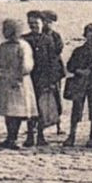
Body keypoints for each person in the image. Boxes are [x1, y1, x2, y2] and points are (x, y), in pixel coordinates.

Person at [0, 19, 37, 150]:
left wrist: (18, 76)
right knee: (8, 111)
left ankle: (15, 138)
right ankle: (10, 137)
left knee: (17, 111)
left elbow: (27, 65)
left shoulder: (22, 46)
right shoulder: (3, 46)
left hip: (19, 81)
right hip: (6, 80)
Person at [23, 11, 63, 147]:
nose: (34, 26)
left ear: (42, 23)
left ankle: (40, 135)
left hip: (43, 78)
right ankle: (29, 135)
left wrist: (52, 80)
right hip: (29, 78)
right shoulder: (25, 39)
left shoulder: (48, 39)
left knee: (42, 107)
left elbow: (53, 60)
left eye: (36, 23)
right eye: (31, 23)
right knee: (30, 108)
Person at [62, 24, 92, 148]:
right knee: (76, 109)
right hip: (80, 83)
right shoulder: (78, 51)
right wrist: (80, 71)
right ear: (85, 35)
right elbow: (70, 66)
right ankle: (72, 135)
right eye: (90, 34)